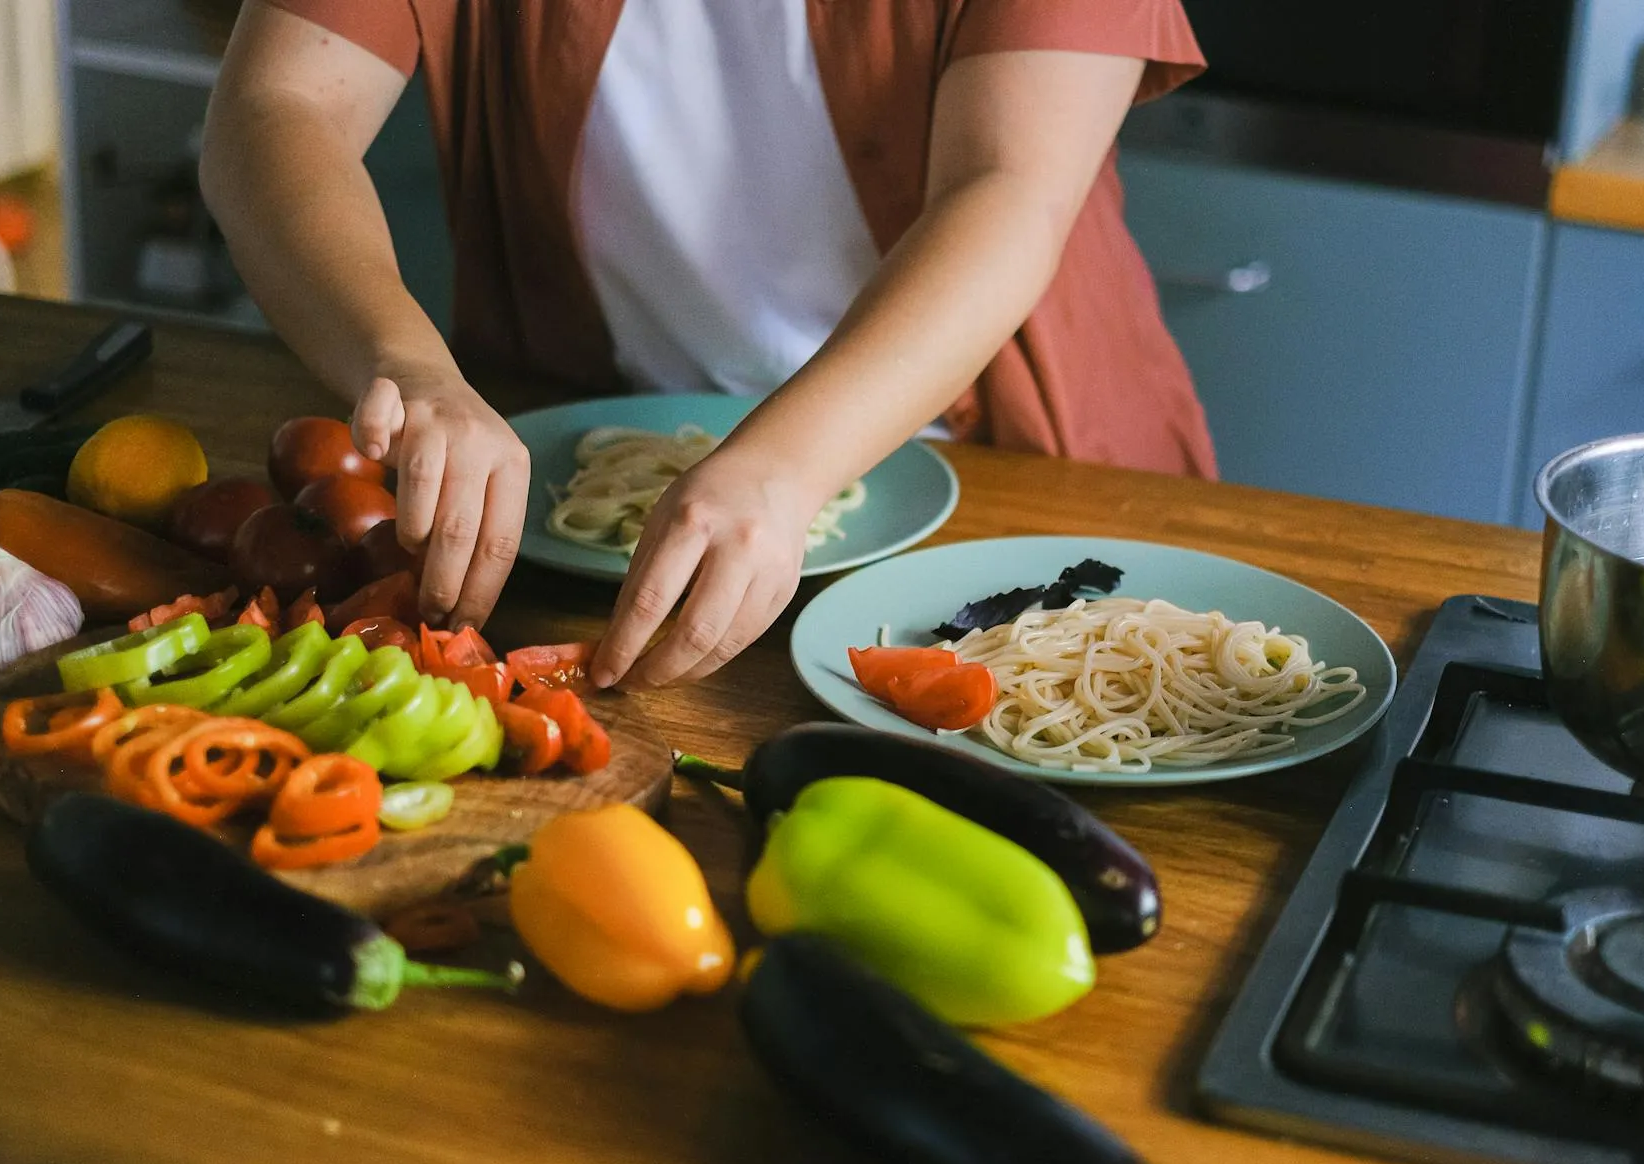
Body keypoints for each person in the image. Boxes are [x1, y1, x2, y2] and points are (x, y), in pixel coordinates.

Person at [200, 0, 1216, 689]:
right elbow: (276, 105)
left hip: (999, 475)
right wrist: (407, 364)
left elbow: (1009, 188)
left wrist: (781, 470)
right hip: (566, 498)